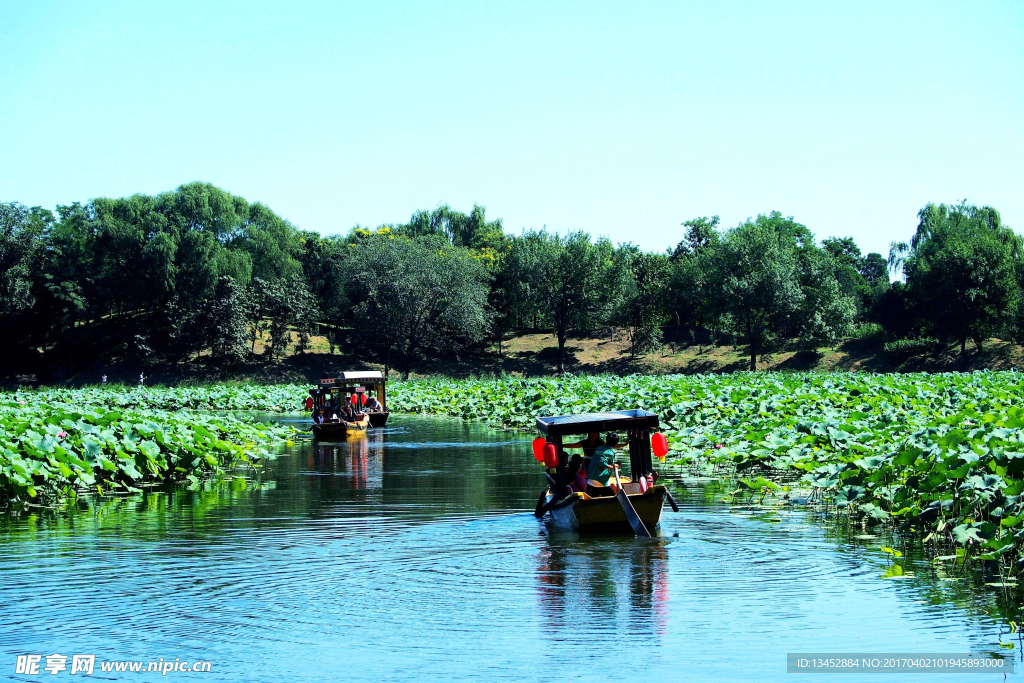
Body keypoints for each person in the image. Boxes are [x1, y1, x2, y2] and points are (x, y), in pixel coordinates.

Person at [586, 433, 626, 497]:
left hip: (590, 481)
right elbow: (601, 462)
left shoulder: (599, 448)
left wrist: (613, 465)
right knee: (612, 502)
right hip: (601, 482)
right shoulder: (610, 452)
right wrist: (612, 467)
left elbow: (600, 458)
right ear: (616, 443)